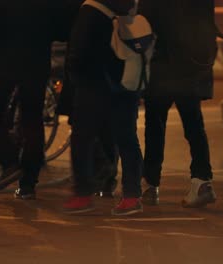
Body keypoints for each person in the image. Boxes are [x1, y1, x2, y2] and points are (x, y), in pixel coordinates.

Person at [62, 0, 152, 215]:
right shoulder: (128, 7)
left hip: (93, 85)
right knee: (127, 139)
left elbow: (79, 50)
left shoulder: (90, 11)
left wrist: (74, 77)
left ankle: (83, 193)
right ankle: (131, 195)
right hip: (125, 82)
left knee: (82, 138)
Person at [0, 0, 66, 199]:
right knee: (32, 118)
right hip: (36, 59)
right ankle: (28, 183)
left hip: (1, 59)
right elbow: (61, 25)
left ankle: (9, 162)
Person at [139, 0, 218, 208]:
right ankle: (202, 181)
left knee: (155, 124)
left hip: (164, 64)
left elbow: (144, 21)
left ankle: (150, 182)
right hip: (192, 65)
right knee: (194, 124)